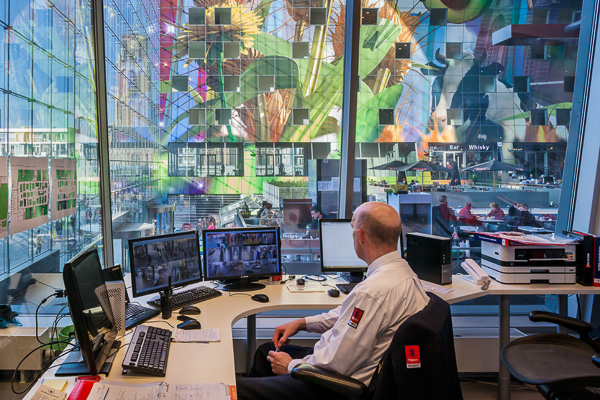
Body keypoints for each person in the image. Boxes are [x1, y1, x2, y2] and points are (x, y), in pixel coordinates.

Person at [236, 202, 430, 400]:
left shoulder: (372, 292)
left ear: (360, 236)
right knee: (265, 352)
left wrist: (290, 366)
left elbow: (338, 363)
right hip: (344, 366)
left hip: (332, 384)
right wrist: (303, 323)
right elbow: (349, 315)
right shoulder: (403, 273)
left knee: (239, 388)